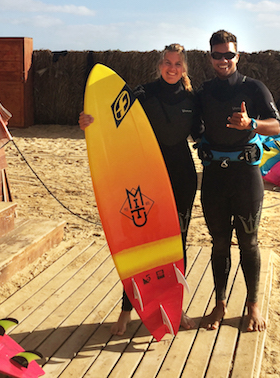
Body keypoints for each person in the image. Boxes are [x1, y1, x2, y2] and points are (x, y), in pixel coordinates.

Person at [79, 44, 199, 335]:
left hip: (182, 176)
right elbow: (112, 122)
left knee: (176, 243)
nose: (172, 68)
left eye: (178, 64)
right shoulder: (142, 94)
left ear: (184, 69)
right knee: (137, 240)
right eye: (167, 63)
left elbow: (203, 135)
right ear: (159, 65)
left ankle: (175, 306)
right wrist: (89, 122)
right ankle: (126, 309)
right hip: (145, 176)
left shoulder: (192, 100)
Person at [195, 30, 280, 333]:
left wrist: (251, 124)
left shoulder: (254, 88)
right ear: (210, 57)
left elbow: (278, 125)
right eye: (217, 55)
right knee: (219, 244)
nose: (223, 60)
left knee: (249, 242)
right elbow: (180, 120)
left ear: (237, 55)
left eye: (228, 54)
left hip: (246, 177)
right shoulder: (203, 91)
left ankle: (253, 304)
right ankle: (219, 304)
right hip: (215, 177)